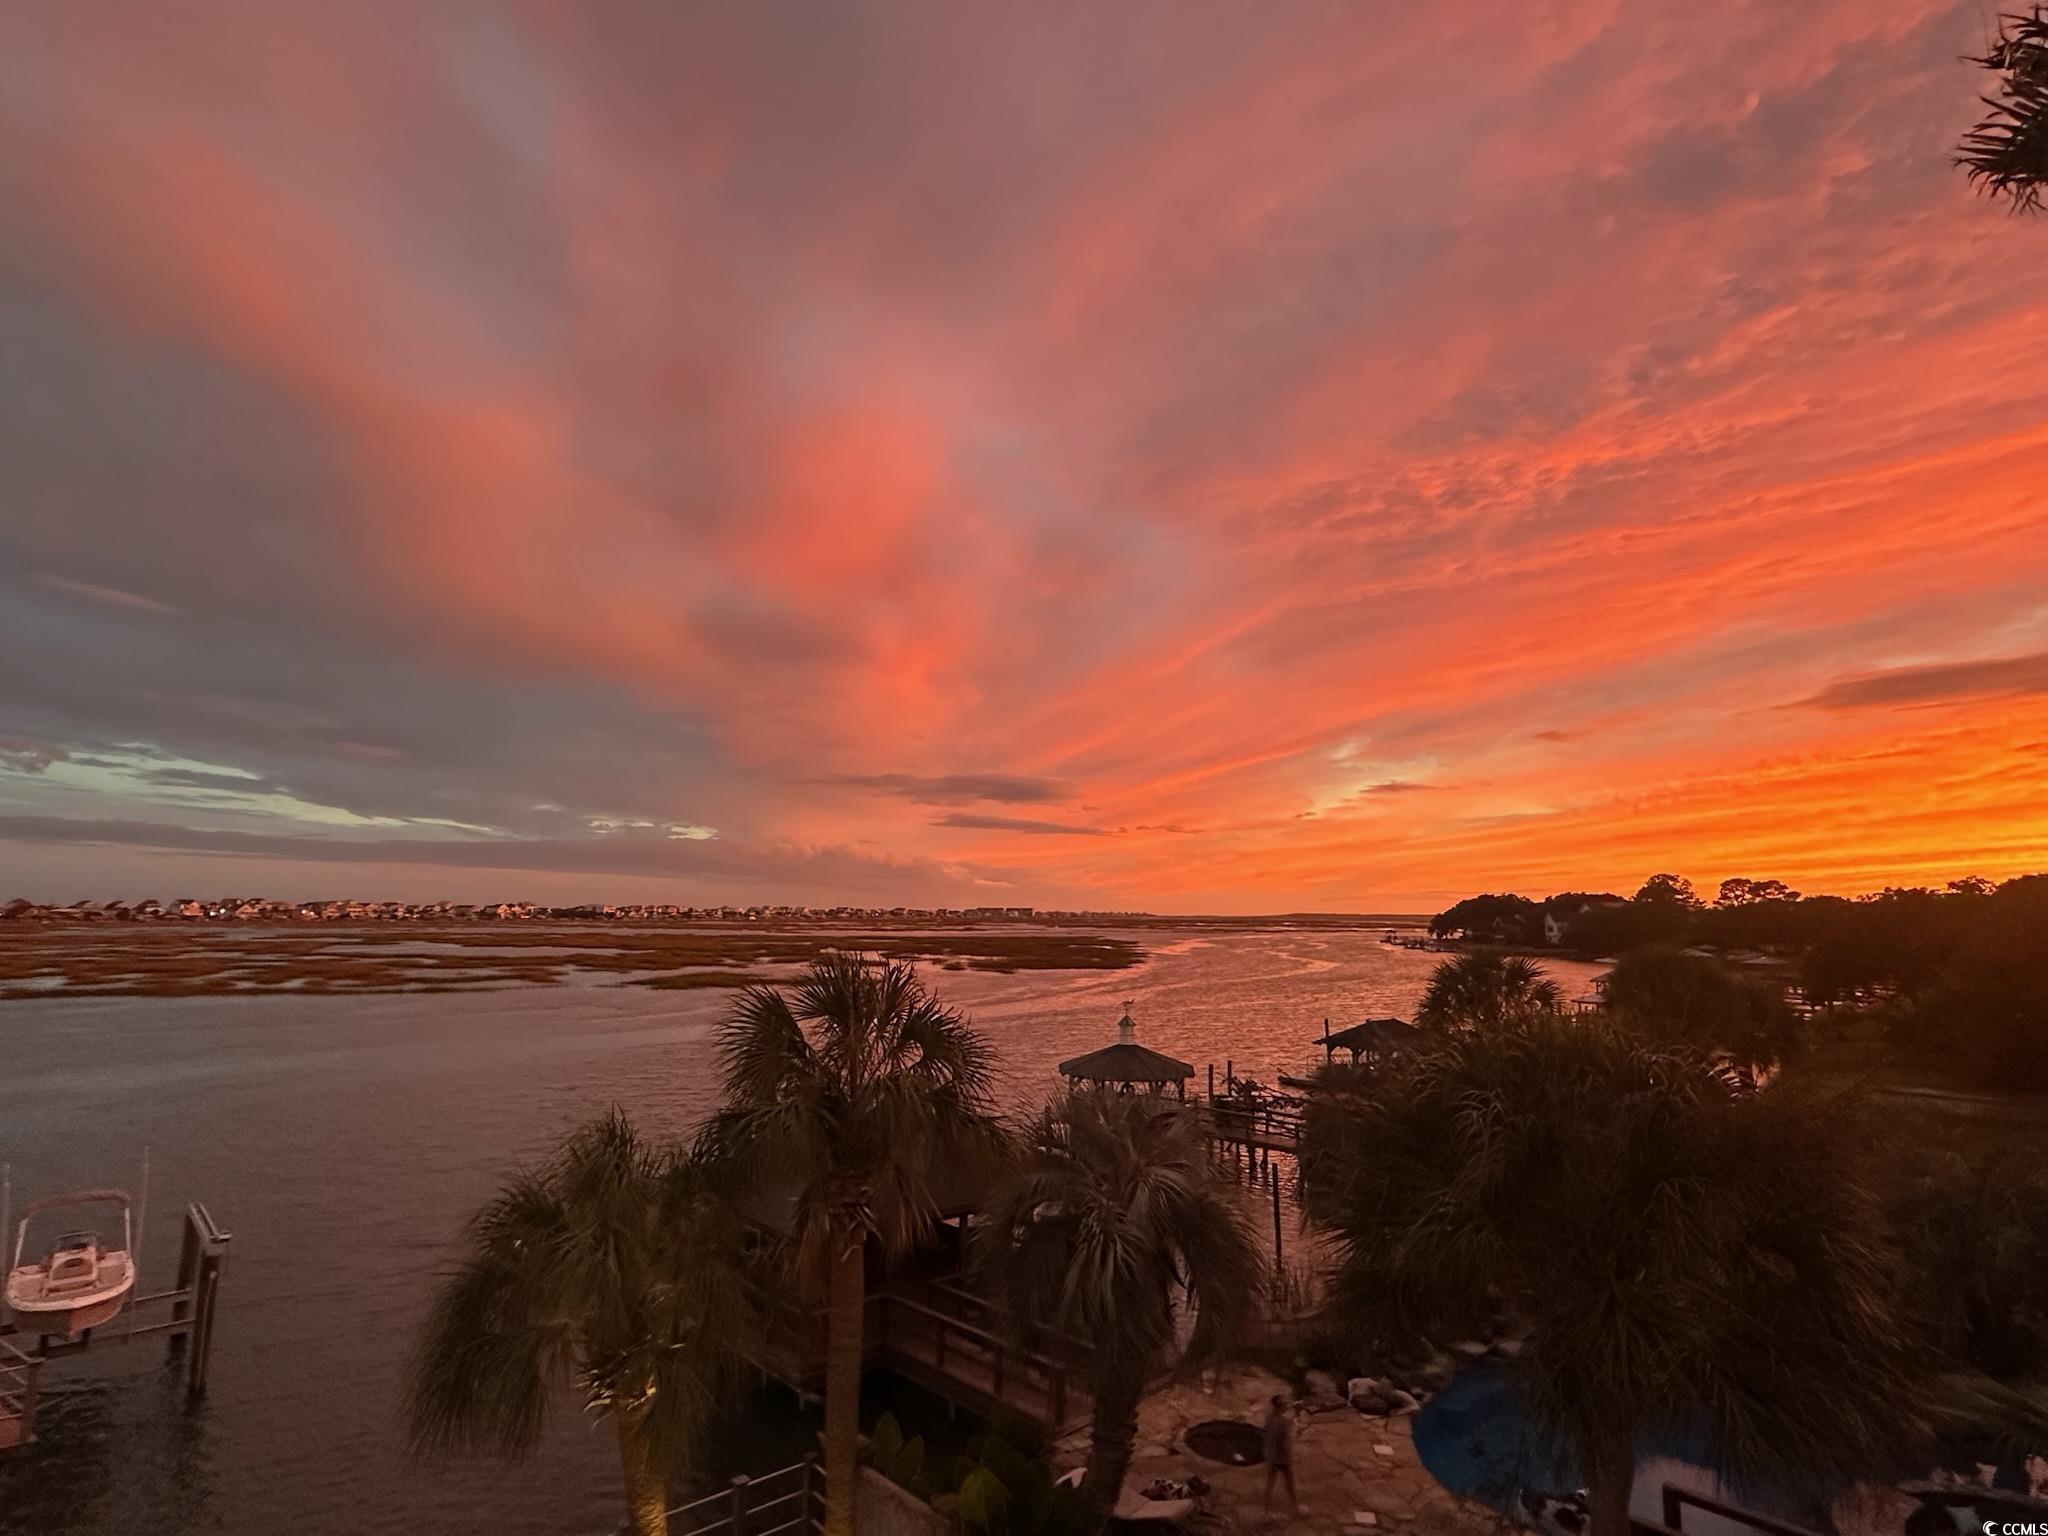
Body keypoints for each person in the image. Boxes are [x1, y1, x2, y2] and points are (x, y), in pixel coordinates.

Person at [1262, 1393, 1297, 1516]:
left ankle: (1266, 1512)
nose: (1287, 1406)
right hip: (1282, 1459)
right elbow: (1282, 1442)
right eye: (1284, 1404)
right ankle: (1296, 1509)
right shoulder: (1280, 1422)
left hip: (1273, 1458)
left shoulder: (1270, 1418)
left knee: (1270, 1485)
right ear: (1278, 1406)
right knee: (1290, 1485)